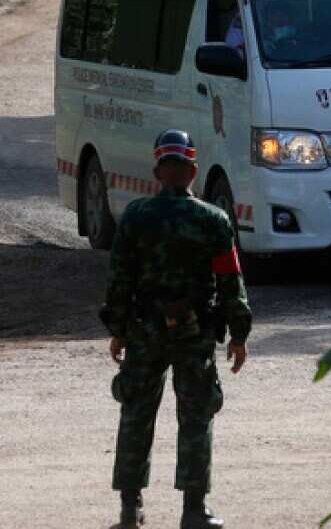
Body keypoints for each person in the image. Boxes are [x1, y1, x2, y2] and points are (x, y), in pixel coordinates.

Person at [100, 129, 252, 529]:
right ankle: (194, 510)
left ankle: (130, 508)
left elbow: (119, 279)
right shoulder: (213, 220)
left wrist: (117, 328)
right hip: (194, 331)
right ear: (192, 171)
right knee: (197, 415)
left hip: (144, 331)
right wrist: (238, 334)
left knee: (136, 413)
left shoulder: (135, 216)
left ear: (157, 170)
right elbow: (229, 281)